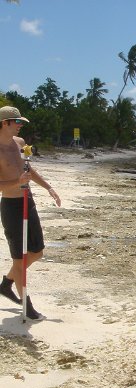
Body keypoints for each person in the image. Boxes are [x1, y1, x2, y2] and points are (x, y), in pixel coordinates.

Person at [0, 106, 61, 320]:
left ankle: (7, 283)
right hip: (11, 206)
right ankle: (26, 304)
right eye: (17, 121)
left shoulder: (20, 143)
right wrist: (17, 181)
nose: (20, 125)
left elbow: (29, 170)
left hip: (29, 201)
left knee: (36, 252)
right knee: (19, 259)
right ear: (5, 122)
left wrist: (48, 187)